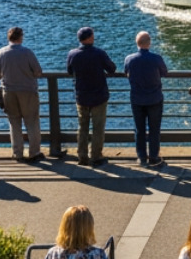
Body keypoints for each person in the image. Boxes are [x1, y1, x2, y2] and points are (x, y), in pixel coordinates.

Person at [67, 27, 117, 167]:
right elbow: (112, 68)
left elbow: (69, 70)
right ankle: (96, 156)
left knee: (82, 127)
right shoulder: (99, 53)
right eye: (93, 35)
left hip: (81, 96)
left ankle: (82, 156)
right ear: (89, 38)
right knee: (98, 128)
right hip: (98, 96)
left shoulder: (72, 54)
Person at [0, 27, 44, 162]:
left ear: (8, 38)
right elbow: (38, 71)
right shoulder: (27, 53)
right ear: (20, 37)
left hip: (8, 92)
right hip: (28, 92)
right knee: (32, 121)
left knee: (14, 122)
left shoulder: (1, 52)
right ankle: (34, 152)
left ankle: (18, 153)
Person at [124, 32, 169, 167]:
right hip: (154, 98)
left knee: (139, 128)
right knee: (154, 129)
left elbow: (126, 73)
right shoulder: (156, 58)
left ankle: (141, 157)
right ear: (149, 43)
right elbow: (164, 72)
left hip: (137, 98)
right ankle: (154, 156)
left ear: (137, 43)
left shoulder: (129, 59)